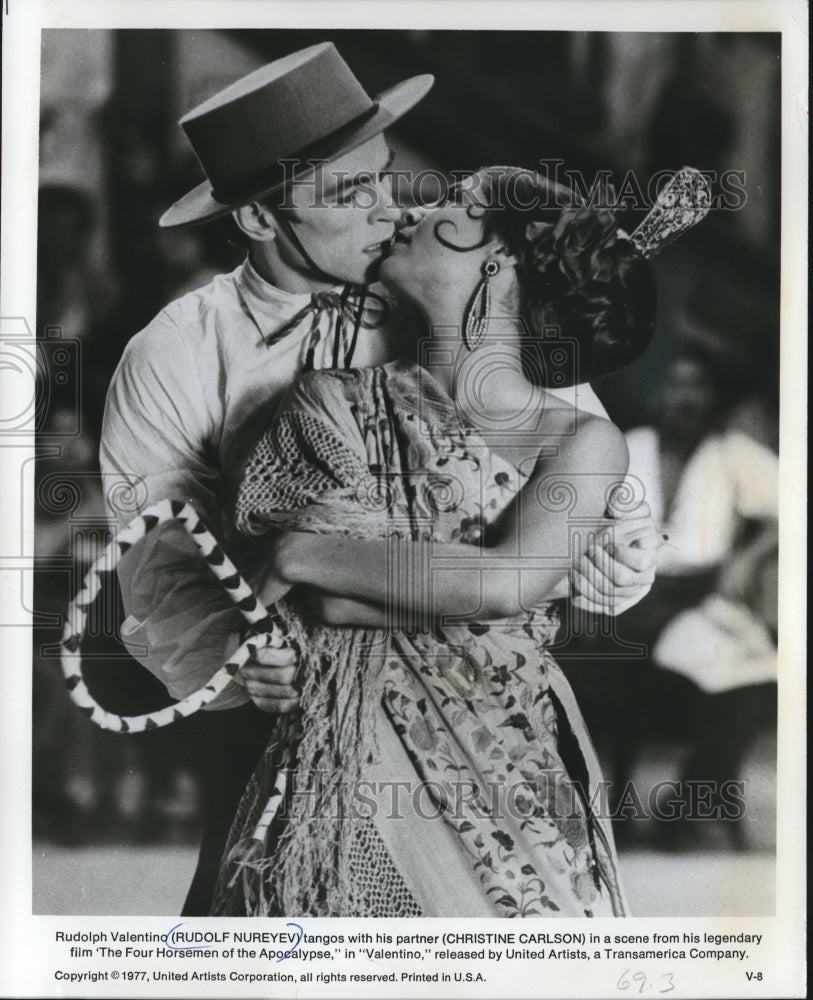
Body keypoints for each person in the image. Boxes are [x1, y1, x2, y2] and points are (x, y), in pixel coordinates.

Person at [100, 44, 660, 914]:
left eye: (387, 178)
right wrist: (236, 656)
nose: (389, 210)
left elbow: (593, 526)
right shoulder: (174, 355)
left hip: (493, 723)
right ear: (257, 218)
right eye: (346, 193)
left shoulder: (470, 314)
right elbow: (158, 568)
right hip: (284, 717)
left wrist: (609, 559)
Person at [206, 164, 674, 917]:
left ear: (499, 262)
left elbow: (503, 583)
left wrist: (302, 553)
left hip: (511, 765)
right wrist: (477, 585)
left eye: (455, 205)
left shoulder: (582, 439)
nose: (416, 210)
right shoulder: (330, 401)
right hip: (344, 763)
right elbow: (324, 608)